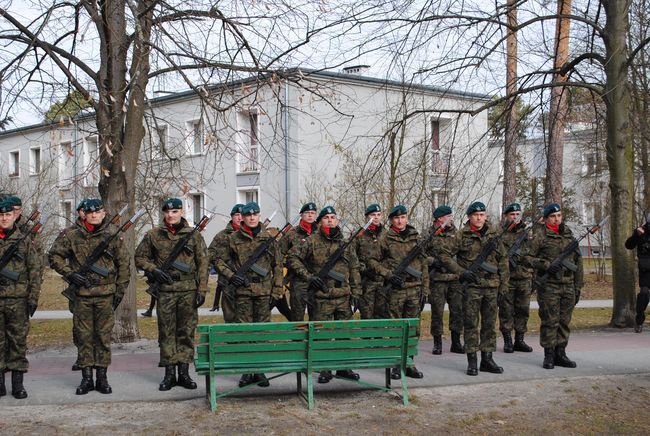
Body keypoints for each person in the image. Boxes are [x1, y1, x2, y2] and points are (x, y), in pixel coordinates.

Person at [48, 199, 130, 395]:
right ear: (83, 214)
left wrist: (119, 292)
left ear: (103, 214)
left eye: (98, 212)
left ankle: (102, 378)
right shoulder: (71, 235)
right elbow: (54, 256)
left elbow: (124, 266)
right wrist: (70, 273)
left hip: (105, 295)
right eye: (89, 212)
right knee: (84, 337)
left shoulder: (112, 237)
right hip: (82, 296)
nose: (94, 215)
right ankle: (86, 379)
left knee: (103, 337)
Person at [135, 197, 209, 391]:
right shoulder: (153, 234)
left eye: (175, 211)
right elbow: (139, 257)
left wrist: (202, 289)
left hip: (188, 291)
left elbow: (203, 263)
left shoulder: (194, 235)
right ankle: (169, 374)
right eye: (167, 212)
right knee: (166, 332)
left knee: (186, 331)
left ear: (181, 213)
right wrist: (153, 269)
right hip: (166, 291)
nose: (170, 215)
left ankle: (184, 373)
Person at [288, 206, 362, 384]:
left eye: (333, 217)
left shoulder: (345, 243)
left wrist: (357, 291)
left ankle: (344, 367)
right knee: (323, 335)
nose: (330, 220)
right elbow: (292, 258)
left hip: (343, 296)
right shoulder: (310, 241)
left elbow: (354, 267)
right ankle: (324, 368)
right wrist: (309, 277)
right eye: (326, 217)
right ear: (320, 221)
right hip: (321, 298)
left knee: (345, 334)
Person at [214, 201, 283, 388]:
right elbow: (218, 261)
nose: (252, 217)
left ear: (259, 216)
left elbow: (277, 267)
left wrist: (277, 291)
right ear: (242, 217)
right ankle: (246, 371)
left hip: (264, 293)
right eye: (248, 215)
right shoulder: (233, 239)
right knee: (244, 332)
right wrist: (231, 276)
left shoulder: (269, 239)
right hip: (242, 293)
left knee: (262, 332)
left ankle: (259, 370)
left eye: (255, 214)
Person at [439, 201, 508, 376]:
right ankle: (472, 361)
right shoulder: (462, 235)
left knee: (489, 324)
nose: (479, 218)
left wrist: (504, 285)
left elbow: (503, 261)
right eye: (476, 215)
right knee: (470, 324)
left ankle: (487, 359)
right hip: (471, 287)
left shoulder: (494, 235)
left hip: (492, 286)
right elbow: (444, 256)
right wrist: (461, 273)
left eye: (482, 215)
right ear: (469, 217)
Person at [367, 205, 428, 379]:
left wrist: (425, 288)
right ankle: (395, 364)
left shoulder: (415, 237)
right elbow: (372, 260)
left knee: (413, 328)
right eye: (396, 218)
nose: (400, 221)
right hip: (396, 290)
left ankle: (409, 363)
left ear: (407, 218)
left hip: (415, 289)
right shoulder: (385, 238)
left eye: (403, 217)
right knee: (396, 327)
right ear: (392, 220)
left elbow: (424, 265)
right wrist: (388, 274)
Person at [528, 203, 583, 369]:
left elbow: (578, 262)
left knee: (564, 321)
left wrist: (578, 286)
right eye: (553, 216)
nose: (557, 219)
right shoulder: (540, 236)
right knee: (550, 321)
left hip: (568, 285)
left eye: (559, 215)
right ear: (546, 219)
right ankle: (549, 355)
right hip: (549, 286)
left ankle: (561, 353)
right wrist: (546, 265)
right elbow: (526, 258)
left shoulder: (569, 235)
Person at [0, 200, 41, 399]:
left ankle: (18, 384)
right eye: (1, 215)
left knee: (18, 342)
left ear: (14, 216)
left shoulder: (23, 240)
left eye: (7, 215)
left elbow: (35, 270)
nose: (4, 218)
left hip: (18, 300)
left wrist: (33, 298)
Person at [426, 205, 464, 355]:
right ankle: (437, 343)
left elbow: (463, 253)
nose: (451, 218)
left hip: (455, 279)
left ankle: (456, 342)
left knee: (457, 311)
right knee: (437, 312)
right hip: (437, 279)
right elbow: (420, 254)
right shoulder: (429, 234)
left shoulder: (457, 234)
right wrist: (432, 262)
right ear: (440, 218)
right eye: (448, 216)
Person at [498, 203, 534, 353]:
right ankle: (508, 340)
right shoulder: (500, 235)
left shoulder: (527, 234)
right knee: (506, 310)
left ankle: (520, 339)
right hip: (508, 279)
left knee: (523, 310)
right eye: (512, 214)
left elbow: (534, 254)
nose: (515, 217)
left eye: (517, 214)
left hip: (524, 277)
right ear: (506, 216)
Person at [207, 203, 244, 323]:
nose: (240, 218)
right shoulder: (222, 236)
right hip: (228, 282)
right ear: (232, 216)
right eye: (237, 215)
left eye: (243, 214)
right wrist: (224, 268)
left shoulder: (253, 235)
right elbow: (210, 254)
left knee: (247, 317)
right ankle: (232, 340)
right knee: (230, 317)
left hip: (247, 283)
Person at [280, 202, 318, 321]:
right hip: (298, 280)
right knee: (297, 316)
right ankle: (297, 340)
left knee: (317, 316)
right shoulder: (292, 234)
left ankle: (315, 340)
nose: (310, 216)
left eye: (313, 213)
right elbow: (279, 254)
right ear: (301, 215)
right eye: (307, 213)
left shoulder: (320, 233)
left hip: (317, 279)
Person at [354, 203, 386, 319]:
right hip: (366, 282)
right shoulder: (359, 235)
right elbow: (352, 258)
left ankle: (380, 337)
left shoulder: (387, 235)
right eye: (373, 215)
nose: (376, 217)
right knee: (367, 316)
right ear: (367, 217)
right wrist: (363, 270)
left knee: (382, 315)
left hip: (383, 282)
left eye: (378, 214)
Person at [626, 215, 650, 333]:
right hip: (646, 271)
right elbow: (628, 245)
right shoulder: (641, 231)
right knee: (644, 294)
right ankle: (639, 321)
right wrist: (636, 235)